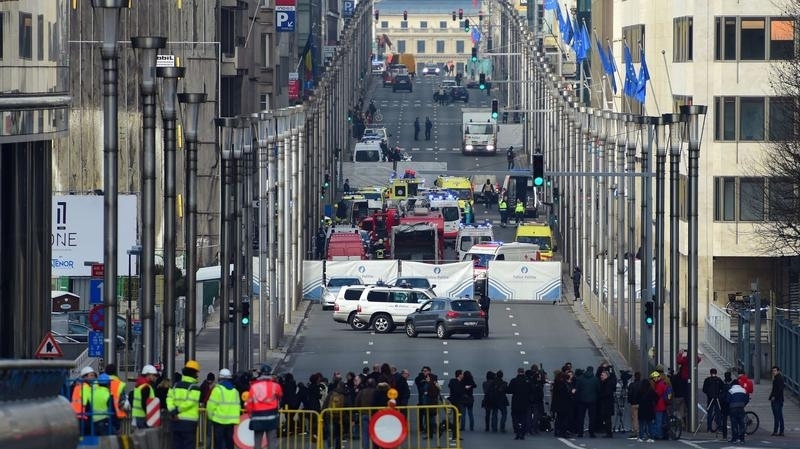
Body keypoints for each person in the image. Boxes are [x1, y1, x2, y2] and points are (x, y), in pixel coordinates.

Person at [167, 360, 202, 449]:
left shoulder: (175, 386)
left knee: (176, 445)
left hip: (175, 420)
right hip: (189, 422)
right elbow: (190, 402)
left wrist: (173, 411)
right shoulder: (195, 387)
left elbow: (169, 399)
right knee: (188, 445)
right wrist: (177, 410)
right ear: (194, 373)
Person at [246, 364, 283, 449]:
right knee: (272, 442)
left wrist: (250, 415)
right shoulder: (275, 386)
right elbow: (280, 397)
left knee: (257, 442)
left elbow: (249, 403)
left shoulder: (254, 387)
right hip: (272, 417)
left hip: (257, 418)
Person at [207, 369, 240, 449]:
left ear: (220, 378)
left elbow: (210, 406)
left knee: (219, 444)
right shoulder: (235, 391)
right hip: (231, 423)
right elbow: (238, 406)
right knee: (229, 444)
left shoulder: (217, 390)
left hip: (219, 422)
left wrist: (211, 418)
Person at [131, 364, 160, 429]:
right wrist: (150, 414)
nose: (155, 377)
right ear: (148, 375)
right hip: (144, 416)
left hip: (138, 415)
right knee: (147, 434)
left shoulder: (139, 385)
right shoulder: (146, 387)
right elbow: (144, 403)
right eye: (153, 375)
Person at [508, 368, 532, 440]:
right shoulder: (527, 381)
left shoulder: (514, 380)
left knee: (515, 418)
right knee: (524, 417)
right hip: (525, 402)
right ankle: (522, 433)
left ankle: (517, 431)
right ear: (523, 372)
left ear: (518, 372)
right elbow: (531, 390)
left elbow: (509, 390)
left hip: (516, 402)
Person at [574, 366, 599, 438]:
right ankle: (591, 432)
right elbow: (598, 389)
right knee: (592, 417)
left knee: (581, 417)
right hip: (592, 400)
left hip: (581, 400)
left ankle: (580, 432)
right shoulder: (595, 379)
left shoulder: (580, 378)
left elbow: (577, 388)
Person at [72, 366, 97, 434]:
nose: (94, 377)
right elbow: (88, 403)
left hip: (76, 416)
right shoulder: (85, 387)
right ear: (85, 377)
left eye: (94, 376)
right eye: (91, 375)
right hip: (84, 417)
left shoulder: (78, 386)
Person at [702, 368, 725, 434]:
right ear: (716, 373)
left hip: (710, 398)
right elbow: (723, 388)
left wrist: (708, 393)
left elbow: (704, 389)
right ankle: (719, 428)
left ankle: (709, 428)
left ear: (710, 373)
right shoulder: (719, 380)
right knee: (718, 413)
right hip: (717, 398)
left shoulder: (707, 380)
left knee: (709, 413)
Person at [635, 374, 657, 442]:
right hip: (650, 409)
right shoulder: (651, 391)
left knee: (641, 424)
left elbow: (636, 399)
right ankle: (651, 437)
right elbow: (656, 398)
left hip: (642, 409)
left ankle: (641, 437)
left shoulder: (640, 391)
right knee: (650, 424)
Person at [728, 379, 749, 443]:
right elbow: (747, 399)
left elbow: (727, 399)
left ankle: (734, 438)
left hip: (733, 408)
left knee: (734, 423)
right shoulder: (743, 390)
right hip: (741, 408)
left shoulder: (730, 390)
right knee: (741, 423)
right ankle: (742, 438)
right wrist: (743, 404)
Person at [597, 369, 615, 438]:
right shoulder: (607, 382)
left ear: (606, 376)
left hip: (607, 404)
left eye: (602, 375)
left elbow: (607, 393)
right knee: (607, 418)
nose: (601, 376)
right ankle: (608, 432)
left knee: (607, 418)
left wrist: (600, 395)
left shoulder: (607, 383)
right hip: (607, 403)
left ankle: (608, 433)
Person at [769, 365, 785, 436]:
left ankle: (777, 430)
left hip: (777, 400)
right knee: (779, 415)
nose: (773, 372)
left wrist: (773, 397)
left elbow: (779, 389)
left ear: (778, 371)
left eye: (775, 371)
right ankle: (780, 430)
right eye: (773, 371)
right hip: (778, 399)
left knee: (777, 416)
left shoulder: (778, 378)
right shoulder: (778, 378)